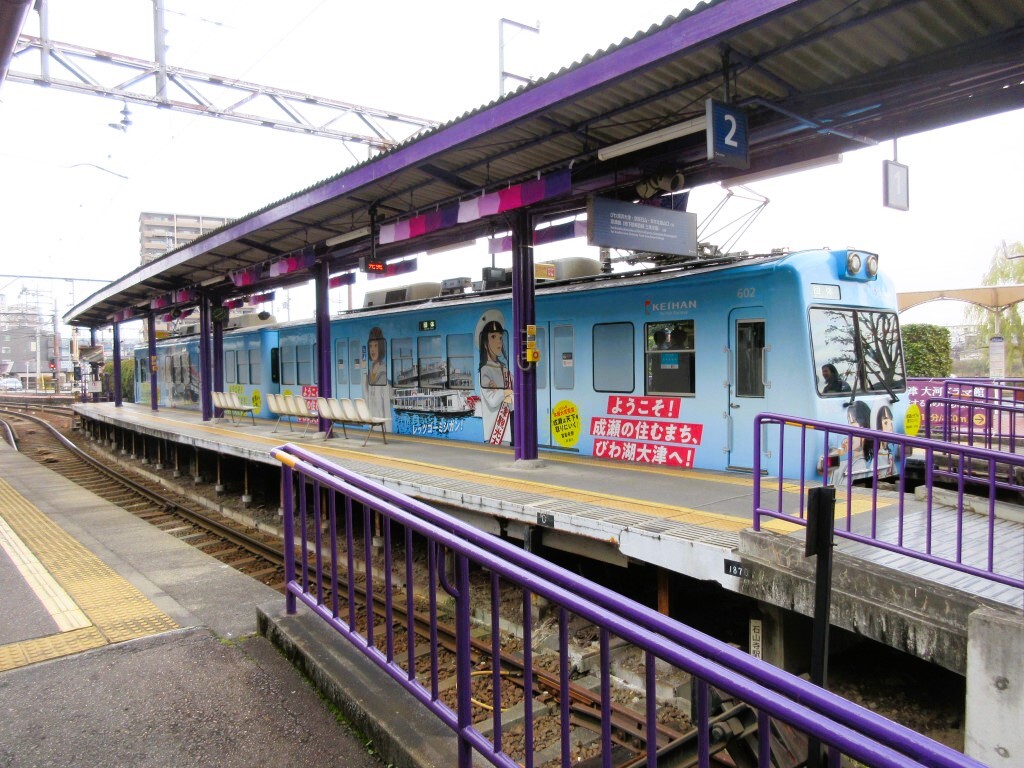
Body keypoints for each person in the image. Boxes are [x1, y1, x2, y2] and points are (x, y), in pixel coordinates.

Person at [478, 318, 513, 445]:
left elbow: (514, 397)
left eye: (500, 337)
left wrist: (503, 392)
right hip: (493, 430)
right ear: (485, 343)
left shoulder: (504, 370)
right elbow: (492, 401)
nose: (499, 341)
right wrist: (506, 393)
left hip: (506, 429)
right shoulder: (484, 371)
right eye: (493, 336)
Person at [363, 327, 391, 425]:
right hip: (372, 419)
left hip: (380, 420)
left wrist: (388, 428)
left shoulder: (384, 371)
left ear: (381, 347)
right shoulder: (369, 371)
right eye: (370, 346)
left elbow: (387, 405)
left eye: (376, 345)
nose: (373, 350)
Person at [875, 405, 898, 476]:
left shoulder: (889, 455)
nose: (890, 428)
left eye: (891, 423)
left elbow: (895, 473)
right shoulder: (876, 457)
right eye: (886, 423)